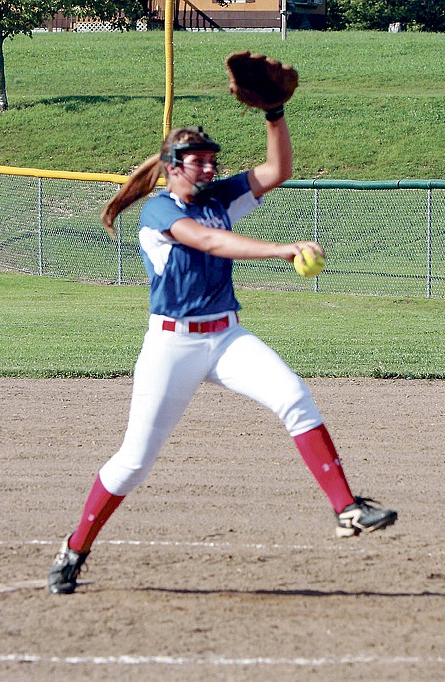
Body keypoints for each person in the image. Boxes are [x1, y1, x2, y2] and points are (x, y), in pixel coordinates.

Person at [48, 105, 397, 594]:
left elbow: (278, 171)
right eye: (200, 160)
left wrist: (275, 115)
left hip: (226, 336)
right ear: (174, 166)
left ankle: (347, 509)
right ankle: (75, 547)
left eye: (213, 159)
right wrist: (281, 249)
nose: (210, 168)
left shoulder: (219, 197)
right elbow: (208, 241)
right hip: (173, 345)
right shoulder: (161, 210)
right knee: (134, 462)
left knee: (294, 396)